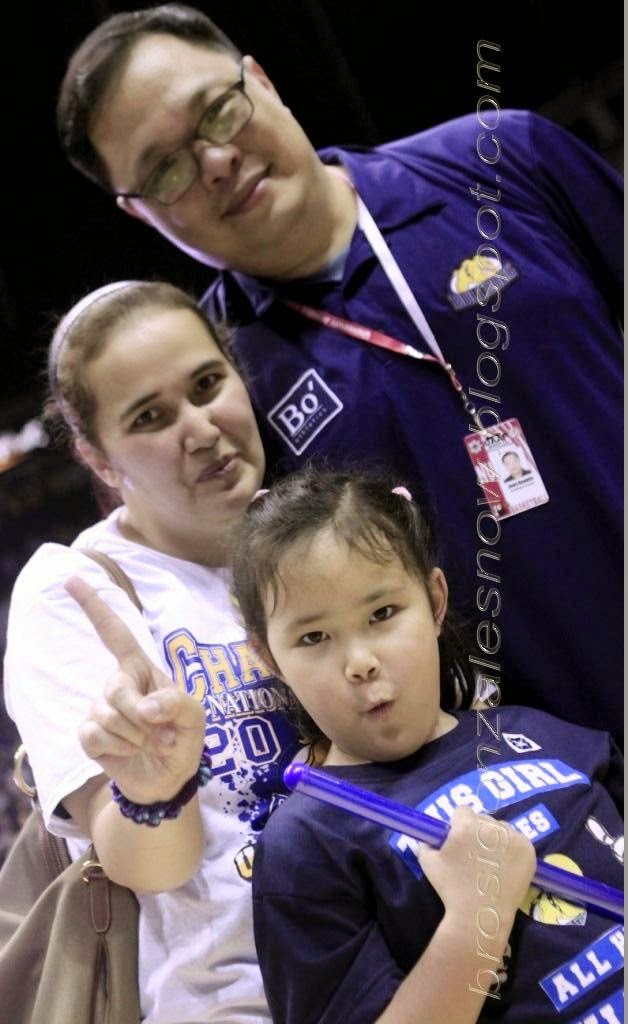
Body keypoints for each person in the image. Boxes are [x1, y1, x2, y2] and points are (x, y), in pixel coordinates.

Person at [56, 5, 624, 739]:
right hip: (544, 785)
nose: (216, 161)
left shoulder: (502, 161)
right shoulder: (225, 385)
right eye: (166, 169)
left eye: (219, 111)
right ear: (142, 215)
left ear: (261, 81)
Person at [3, 280, 302, 1024]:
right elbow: (149, 869)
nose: (200, 429)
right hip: (246, 1001)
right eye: (150, 417)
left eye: (207, 385)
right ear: (98, 458)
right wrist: (154, 788)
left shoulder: (323, 533)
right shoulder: (77, 589)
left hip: (411, 959)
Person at [230, 468, 624, 1024]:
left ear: (435, 600)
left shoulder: (542, 733)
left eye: (382, 614)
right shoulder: (306, 844)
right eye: (314, 637)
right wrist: (475, 918)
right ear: (269, 658)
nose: (360, 661)